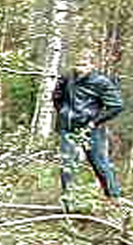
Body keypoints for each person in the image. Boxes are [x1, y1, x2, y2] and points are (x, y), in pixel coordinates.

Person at [52, 50, 123, 205]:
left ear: (92, 65)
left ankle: (114, 198)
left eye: (83, 65)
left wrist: (93, 122)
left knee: (100, 163)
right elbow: (56, 97)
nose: (79, 68)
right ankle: (69, 202)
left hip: (91, 130)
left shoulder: (101, 82)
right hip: (68, 128)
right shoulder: (66, 78)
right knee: (67, 165)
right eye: (77, 64)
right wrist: (64, 113)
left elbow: (116, 106)